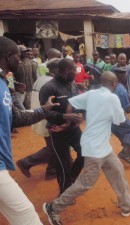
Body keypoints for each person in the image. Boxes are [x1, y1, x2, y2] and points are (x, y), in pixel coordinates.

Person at [43, 72, 130, 225]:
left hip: (101, 146)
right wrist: (129, 108)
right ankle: (53, 207)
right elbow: (120, 121)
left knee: (117, 171)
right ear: (114, 83)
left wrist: (68, 121)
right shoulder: (112, 98)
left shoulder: (91, 94)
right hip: (95, 149)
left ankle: (127, 205)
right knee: (86, 183)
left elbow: (71, 102)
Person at [0, 36, 59, 225]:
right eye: (19, 56)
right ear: (9, 56)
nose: (22, 60)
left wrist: (44, 110)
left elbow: (16, 117)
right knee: (28, 218)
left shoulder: (3, 83)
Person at [39, 58, 84, 195]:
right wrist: (65, 117)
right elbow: (45, 113)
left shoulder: (72, 84)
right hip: (57, 131)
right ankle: (64, 192)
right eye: (74, 70)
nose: (77, 72)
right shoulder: (49, 88)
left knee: (86, 152)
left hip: (73, 128)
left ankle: (70, 179)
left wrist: (78, 116)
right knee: (63, 162)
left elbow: (76, 103)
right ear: (66, 70)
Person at [111, 67, 130, 165]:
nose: (126, 77)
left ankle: (128, 152)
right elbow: (126, 108)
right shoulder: (120, 88)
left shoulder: (112, 86)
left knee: (125, 133)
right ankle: (124, 153)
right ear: (119, 76)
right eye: (124, 75)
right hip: (118, 117)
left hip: (110, 118)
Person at [14, 45, 38, 109]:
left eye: (25, 51)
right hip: (19, 90)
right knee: (19, 108)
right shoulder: (15, 62)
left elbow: (34, 75)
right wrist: (16, 86)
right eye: (23, 51)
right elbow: (11, 76)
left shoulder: (30, 62)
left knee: (29, 106)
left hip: (29, 88)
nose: (25, 53)